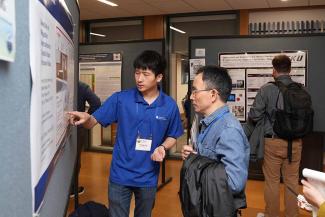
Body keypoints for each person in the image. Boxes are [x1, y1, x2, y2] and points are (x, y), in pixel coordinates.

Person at [68, 50, 183, 217]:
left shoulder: (169, 105)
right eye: (137, 73)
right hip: (120, 174)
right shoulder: (121, 99)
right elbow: (93, 121)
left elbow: (173, 134)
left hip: (148, 176)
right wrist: (86, 118)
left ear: (159, 77)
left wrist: (163, 148)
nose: (139, 79)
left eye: (145, 74)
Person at [181, 66, 250, 211]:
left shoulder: (228, 130)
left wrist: (195, 164)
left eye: (195, 91)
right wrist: (194, 157)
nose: (191, 96)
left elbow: (234, 183)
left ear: (213, 94)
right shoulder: (208, 122)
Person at [248, 54, 304, 217]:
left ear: (274, 70)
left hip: (273, 142)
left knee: (272, 182)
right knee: (292, 182)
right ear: (290, 70)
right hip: (295, 142)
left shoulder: (267, 89)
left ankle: (271, 215)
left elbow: (255, 115)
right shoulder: (300, 89)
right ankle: (292, 215)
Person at [70, 81, 101, 198]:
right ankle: (72, 189)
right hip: (77, 127)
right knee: (75, 159)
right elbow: (96, 102)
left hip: (58, 128)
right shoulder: (81, 86)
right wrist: (87, 116)